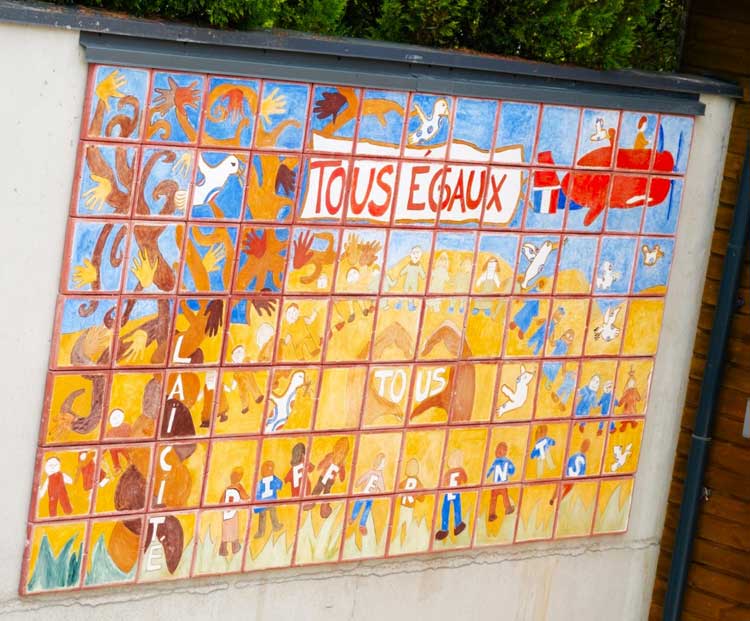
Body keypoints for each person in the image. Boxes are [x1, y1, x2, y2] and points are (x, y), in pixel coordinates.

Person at [304, 437, 350, 518]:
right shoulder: (332, 458)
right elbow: (324, 463)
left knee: (324, 492)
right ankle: (313, 504)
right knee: (319, 490)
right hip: (324, 478)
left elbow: (342, 475)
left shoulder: (339, 462)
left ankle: (323, 508)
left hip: (328, 480)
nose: (340, 454)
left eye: (343, 452)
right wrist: (320, 466)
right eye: (340, 451)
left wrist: (342, 476)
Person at [350, 453, 386, 535]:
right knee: (363, 508)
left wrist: (358, 483)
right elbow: (382, 489)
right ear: (378, 463)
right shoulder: (378, 475)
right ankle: (358, 522)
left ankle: (357, 521)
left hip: (366, 495)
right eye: (383, 463)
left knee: (362, 507)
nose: (384, 465)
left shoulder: (372, 473)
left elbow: (363, 479)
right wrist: (379, 492)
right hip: (366, 495)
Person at [435, 451, 468, 540]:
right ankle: (452, 526)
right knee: (451, 509)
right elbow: (465, 479)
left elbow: (464, 479)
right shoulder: (457, 471)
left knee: (450, 509)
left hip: (452, 492)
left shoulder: (455, 471)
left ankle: (450, 527)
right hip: (451, 492)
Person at [394, 458, 425, 546]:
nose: (409, 469)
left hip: (408, 508)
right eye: (409, 467)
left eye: (412, 467)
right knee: (401, 525)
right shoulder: (409, 482)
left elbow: (422, 497)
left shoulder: (415, 482)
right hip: (404, 507)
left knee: (406, 525)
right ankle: (398, 543)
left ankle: (404, 543)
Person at [220, 467, 250, 555]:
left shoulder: (227, 488)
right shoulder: (239, 487)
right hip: (232, 512)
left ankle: (223, 549)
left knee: (226, 530)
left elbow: (221, 501)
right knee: (233, 529)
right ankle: (234, 548)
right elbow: (245, 497)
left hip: (226, 513)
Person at [485, 442, 516, 521]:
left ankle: (491, 514)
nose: (496, 452)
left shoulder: (496, 461)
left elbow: (491, 469)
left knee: (493, 499)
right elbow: (512, 470)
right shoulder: (507, 461)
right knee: (505, 496)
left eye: (498, 450)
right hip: (502, 484)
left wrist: (487, 475)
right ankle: (508, 508)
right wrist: (511, 471)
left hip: (495, 484)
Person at [253, 461, 283, 539]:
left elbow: (257, 494)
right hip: (271, 501)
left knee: (262, 517)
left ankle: (261, 532)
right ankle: (276, 526)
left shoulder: (260, 482)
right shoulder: (273, 479)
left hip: (263, 503)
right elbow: (280, 485)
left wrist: (256, 507)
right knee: (272, 513)